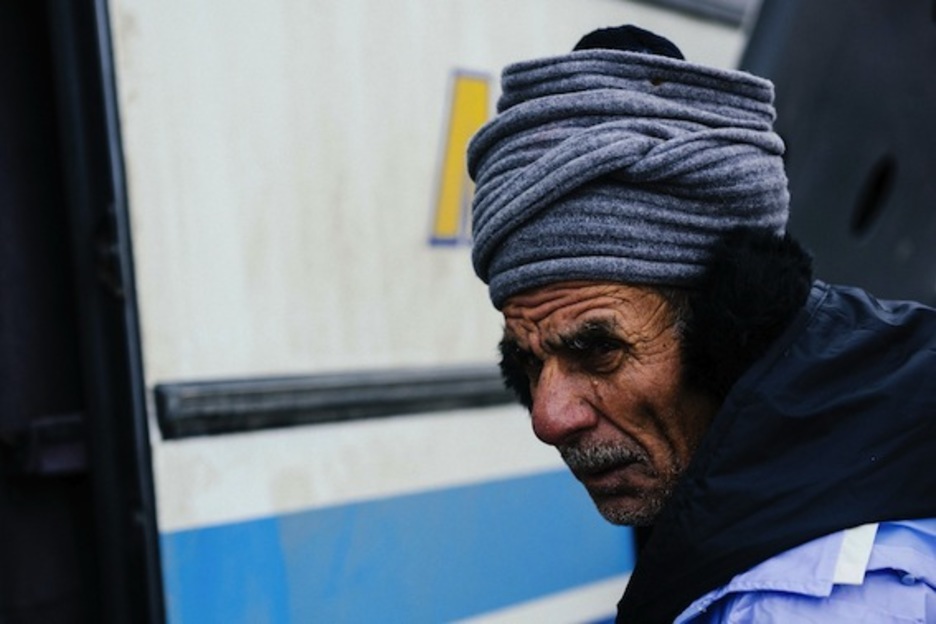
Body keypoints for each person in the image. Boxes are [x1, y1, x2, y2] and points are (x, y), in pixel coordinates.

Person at [467, 24, 936, 623]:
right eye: (530, 362)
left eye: (599, 350)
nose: (548, 417)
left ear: (728, 329)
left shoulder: (803, 603)